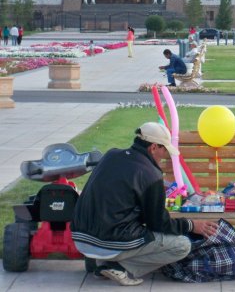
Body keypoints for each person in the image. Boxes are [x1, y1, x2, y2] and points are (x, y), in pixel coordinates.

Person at [71, 122, 218, 286]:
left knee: (124, 228)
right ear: (154, 147)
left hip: (81, 237)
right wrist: (190, 225)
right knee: (182, 245)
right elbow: (158, 223)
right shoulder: (150, 174)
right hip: (109, 240)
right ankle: (118, 267)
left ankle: (97, 263)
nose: (165, 156)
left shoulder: (111, 155)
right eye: (164, 150)